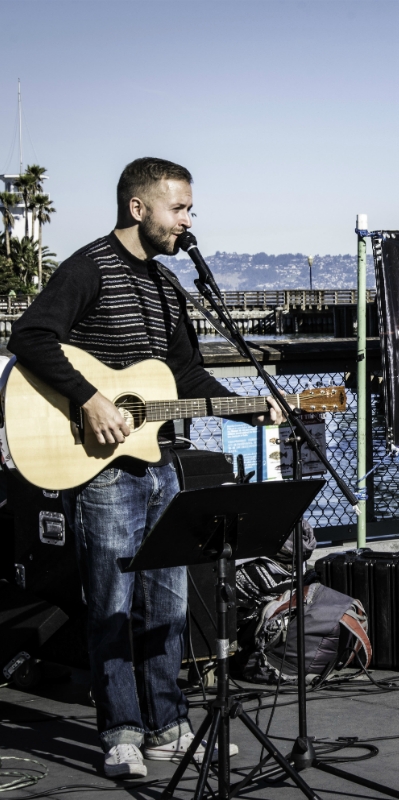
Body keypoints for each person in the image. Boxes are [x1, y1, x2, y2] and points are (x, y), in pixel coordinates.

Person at [8, 157, 284, 779]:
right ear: (140, 208)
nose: (188, 220)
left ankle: (168, 724)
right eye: (179, 208)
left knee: (168, 600)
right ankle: (121, 733)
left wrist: (248, 409)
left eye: (189, 209)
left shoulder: (167, 286)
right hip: (102, 468)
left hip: (160, 464)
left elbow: (182, 375)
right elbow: (29, 337)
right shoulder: (89, 267)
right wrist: (90, 398)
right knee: (110, 602)